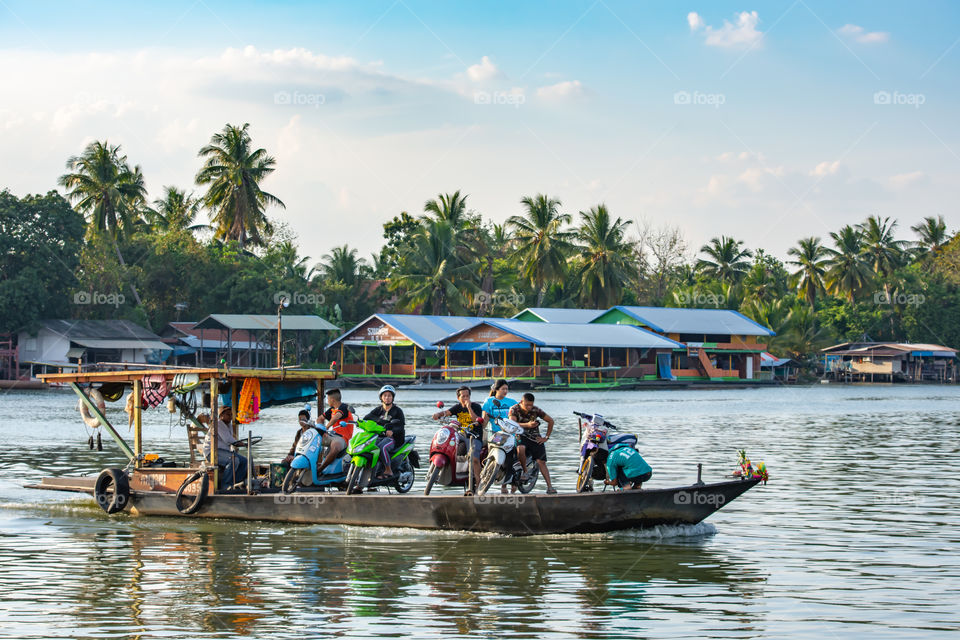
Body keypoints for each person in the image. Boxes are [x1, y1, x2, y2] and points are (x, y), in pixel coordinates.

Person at [431, 386, 483, 494]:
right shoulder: (457, 407)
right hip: (461, 435)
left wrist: (469, 408)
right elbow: (447, 412)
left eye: (467, 396)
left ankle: (478, 483)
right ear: (458, 397)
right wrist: (438, 415)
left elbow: (476, 420)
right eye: (463, 396)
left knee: (474, 459)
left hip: (475, 436)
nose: (465, 398)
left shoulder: (476, 406)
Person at [508, 392, 557, 494]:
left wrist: (546, 437)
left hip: (535, 437)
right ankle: (524, 471)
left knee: (541, 462)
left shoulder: (536, 410)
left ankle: (549, 487)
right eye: (527, 405)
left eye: (531, 405)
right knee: (520, 448)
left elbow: (551, 421)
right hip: (520, 435)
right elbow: (512, 423)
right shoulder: (514, 409)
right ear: (521, 402)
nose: (529, 407)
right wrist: (527, 425)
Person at [481, 379, 517, 493]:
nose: (505, 391)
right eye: (503, 389)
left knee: (510, 456)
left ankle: (507, 484)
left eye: (507, 389)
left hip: (509, 434)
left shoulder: (512, 402)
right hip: (495, 435)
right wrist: (481, 423)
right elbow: (484, 421)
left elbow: (517, 417)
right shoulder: (489, 402)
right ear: (496, 390)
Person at [199, 406, 248, 489]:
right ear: (221, 416)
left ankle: (236, 483)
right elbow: (228, 439)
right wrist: (241, 443)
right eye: (228, 414)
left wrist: (241, 444)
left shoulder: (228, 425)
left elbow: (231, 440)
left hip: (224, 452)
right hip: (212, 452)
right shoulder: (218, 424)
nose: (230, 416)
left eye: (231, 414)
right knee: (234, 460)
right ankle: (225, 485)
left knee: (244, 461)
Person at [363, 385, 405, 478]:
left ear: (393, 397)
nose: (387, 398)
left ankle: (388, 469)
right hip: (379, 436)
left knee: (382, 447)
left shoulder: (397, 411)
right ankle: (369, 474)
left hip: (393, 438)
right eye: (385, 395)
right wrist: (359, 423)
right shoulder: (378, 410)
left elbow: (401, 426)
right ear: (381, 397)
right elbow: (366, 418)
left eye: (389, 395)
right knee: (367, 447)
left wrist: (392, 431)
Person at [318, 388, 355, 474]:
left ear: (332, 400)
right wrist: (321, 431)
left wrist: (326, 427)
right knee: (314, 441)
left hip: (343, 438)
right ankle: (311, 465)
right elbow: (320, 419)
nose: (327, 401)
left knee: (335, 446)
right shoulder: (331, 409)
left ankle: (320, 469)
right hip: (332, 435)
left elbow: (336, 417)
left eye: (327, 399)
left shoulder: (344, 407)